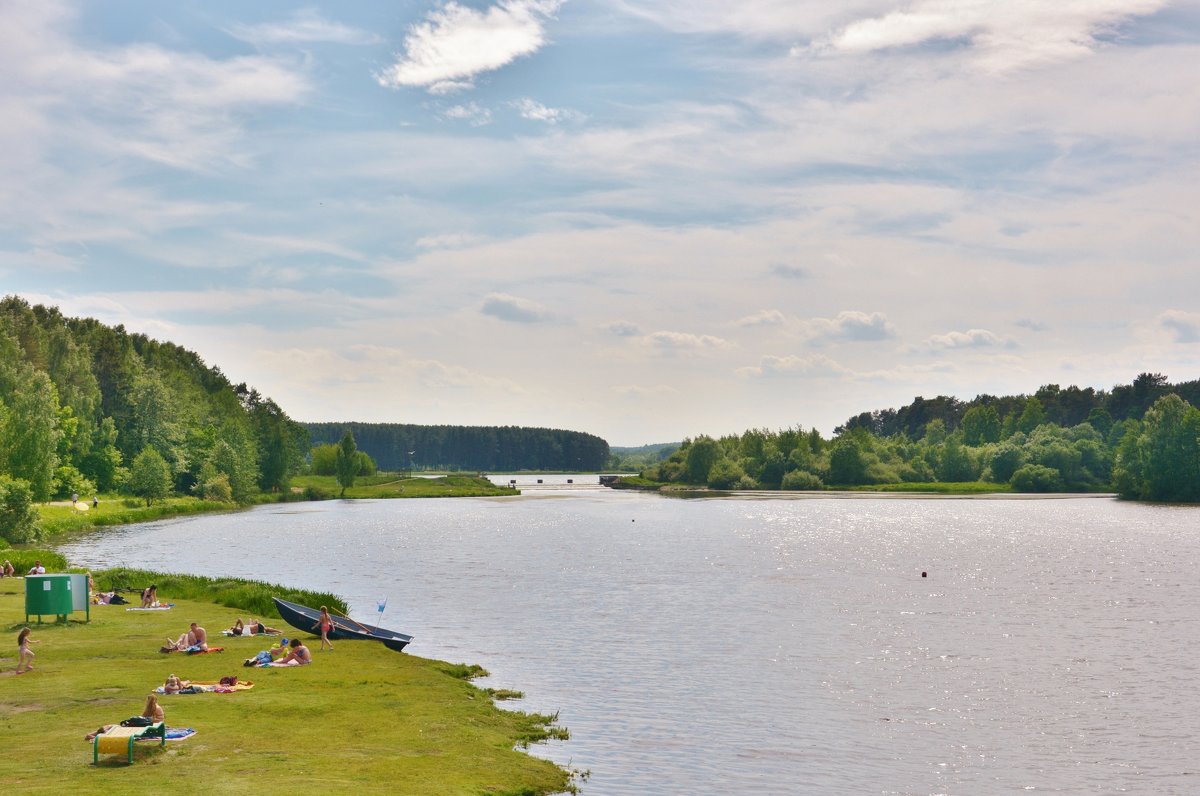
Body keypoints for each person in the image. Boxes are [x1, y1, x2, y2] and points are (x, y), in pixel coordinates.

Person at [85, 694, 164, 741]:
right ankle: (96, 734)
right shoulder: (155, 708)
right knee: (111, 727)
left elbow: (148, 719)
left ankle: (96, 734)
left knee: (111, 727)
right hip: (144, 726)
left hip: (142, 727)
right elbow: (156, 719)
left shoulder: (154, 708)